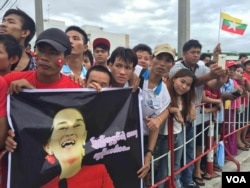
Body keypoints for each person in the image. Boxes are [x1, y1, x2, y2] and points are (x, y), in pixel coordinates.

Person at [169, 40, 226, 188]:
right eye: (192, 52)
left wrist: (220, 78)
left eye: (198, 52)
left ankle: (188, 181)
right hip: (178, 117)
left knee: (190, 151)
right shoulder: (176, 67)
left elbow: (213, 84)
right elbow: (191, 83)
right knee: (177, 153)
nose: (196, 55)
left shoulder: (201, 66)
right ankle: (177, 182)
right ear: (184, 54)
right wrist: (211, 75)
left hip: (195, 116)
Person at [41, 107, 114, 188]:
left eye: (77, 125)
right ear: (48, 147)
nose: (70, 132)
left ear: (84, 136)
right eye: (62, 128)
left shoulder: (99, 172)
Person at [136, 43, 173, 187]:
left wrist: (149, 153)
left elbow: (155, 126)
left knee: (143, 175)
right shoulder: (135, 72)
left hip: (143, 141)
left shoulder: (164, 93)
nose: (162, 64)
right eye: (160, 58)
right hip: (124, 137)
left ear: (171, 65)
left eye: (168, 61)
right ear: (152, 59)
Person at [156, 68, 196, 188]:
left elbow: (188, 105)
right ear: (174, 79)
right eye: (182, 81)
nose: (184, 87)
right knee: (163, 169)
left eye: (188, 85)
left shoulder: (184, 97)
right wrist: (174, 110)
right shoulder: (164, 92)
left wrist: (191, 106)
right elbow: (161, 110)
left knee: (176, 166)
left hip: (178, 133)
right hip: (164, 136)